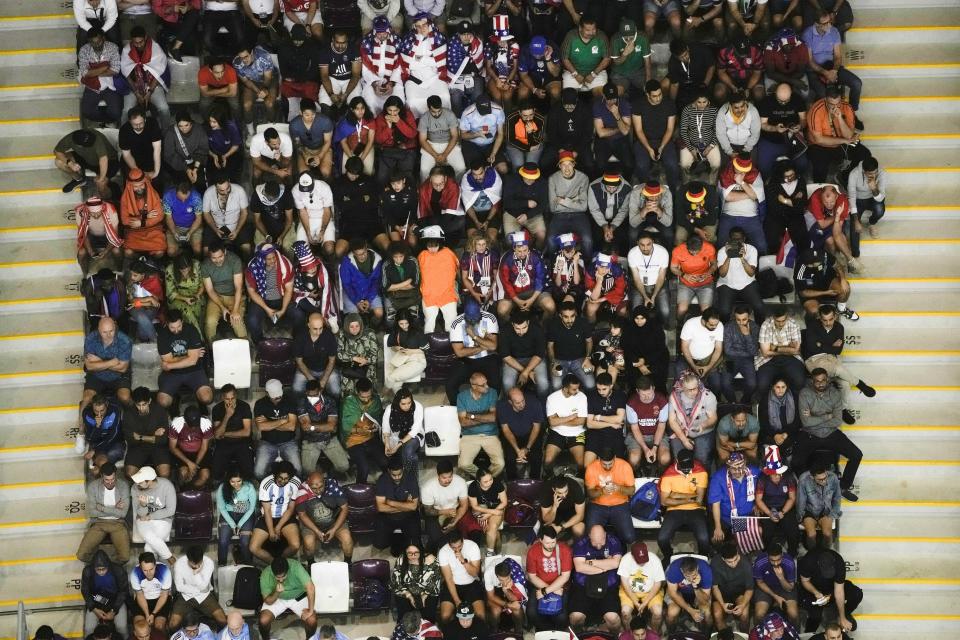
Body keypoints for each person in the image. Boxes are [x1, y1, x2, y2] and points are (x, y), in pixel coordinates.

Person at [792, 369, 861, 497]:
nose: (820, 384)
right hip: (809, 433)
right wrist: (827, 416)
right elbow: (806, 422)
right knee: (795, 462)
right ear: (812, 382)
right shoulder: (805, 393)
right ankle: (810, 488)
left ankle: (843, 487)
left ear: (827, 379)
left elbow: (837, 421)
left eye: (823, 380)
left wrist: (814, 417)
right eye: (817, 381)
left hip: (831, 433)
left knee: (856, 454)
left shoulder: (835, 394)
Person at [803, 304, 875, 401]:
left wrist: (820, 345)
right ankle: (861, 385)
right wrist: (831, 346)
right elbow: (812, 348)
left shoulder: (839, 327)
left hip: (832, 358)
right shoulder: (812, 326)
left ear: (835, 316)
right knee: (839, 369)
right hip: (814, 359)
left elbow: (838, 350)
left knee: (845, 385)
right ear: (820, 318)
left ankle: (843, 409)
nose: (828, 322)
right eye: (825, 320)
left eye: (831, 319)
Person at [805, 85, 868, 183]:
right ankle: (818, 187)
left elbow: (848, 136)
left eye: (838, 103)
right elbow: (819, 139)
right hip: (820, 145)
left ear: (841, 100)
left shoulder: (847, 108)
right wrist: (844, 140)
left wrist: (839, 118)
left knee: (864, 154)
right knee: (820, 166)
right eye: (831, 104)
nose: (835, 107)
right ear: (825, 100)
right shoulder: (816, 110)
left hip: (841, 143)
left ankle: (844, 176)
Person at [657, 448, 710, 560]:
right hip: (673, 511)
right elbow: (664, 501)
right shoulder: (668, 475)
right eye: (684, 468)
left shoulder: (701, 471)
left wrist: (675, 495)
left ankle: (703, 558)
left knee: (704, 538)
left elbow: (699, 499)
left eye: (689, 468)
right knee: (662, 539)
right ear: (677, 461)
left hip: (696, 509)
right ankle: (668, 557)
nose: (687, 471)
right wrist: (689, 498)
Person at [569, 525, 623, 633]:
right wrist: (602, 569)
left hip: (608, 585)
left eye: (601, 542)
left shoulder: (613, 541)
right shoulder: (581, 543)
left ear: (605, 535)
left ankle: (614, 636)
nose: (598, 546)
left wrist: (590, 562)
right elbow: (579, 567)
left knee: (613, 619)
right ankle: (581, 634)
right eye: (595, 543)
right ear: (589, 537)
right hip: (583, 585)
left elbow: (615, 563)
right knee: (575, 617)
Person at [156, 310, 213, 411]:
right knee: (162, 401)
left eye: (179, 326)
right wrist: (189, 355)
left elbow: (192, 362)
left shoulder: (191, 330)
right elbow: (168, 360)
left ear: (182, 321)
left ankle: (200, 404)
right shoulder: (162, 335)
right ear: (167, 324)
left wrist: (170, 365)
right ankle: (175, 400)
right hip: (172, 374)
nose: (176, 330)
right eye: (172, 327)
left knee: (207, 398)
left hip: (194, 370)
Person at [295, 467, 353, 562]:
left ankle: (348, 562)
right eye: (314, 488)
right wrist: (317, 531)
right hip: (311, 525)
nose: (318, 491)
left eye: (320, 487)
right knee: (308, 543)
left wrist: (334, 529)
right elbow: (302, 515)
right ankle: (311, 563)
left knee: (348, 540)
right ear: (309, 485)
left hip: (334, 522)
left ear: (324, 482)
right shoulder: (302, 493)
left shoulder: (332, 488)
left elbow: (345, 508)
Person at [798, 547, 861, 634]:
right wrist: (816, 593)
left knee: (856, 594)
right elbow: (805, 581)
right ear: (818, 564)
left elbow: (839, 591)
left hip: (831, 587)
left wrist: (842, 617)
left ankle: (842, 614)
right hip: (813, 588)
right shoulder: (808, 561)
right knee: (815, 616)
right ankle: (808, 634)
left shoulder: (839, 562)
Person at [77, 463, 131, 563]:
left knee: (125, 557)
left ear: (116, 475)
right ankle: (98, 564)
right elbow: (92, 512)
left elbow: (122, 514)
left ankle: (110, 565)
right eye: (107, 480)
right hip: (98, 523)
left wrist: (102, 508)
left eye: (113, 479)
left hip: (118, 523)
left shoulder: (123, 486)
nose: (110, 482)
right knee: (81, 555)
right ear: (102, 477)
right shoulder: (93, 486)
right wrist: (115, 509)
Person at [399, 14, 451, 118]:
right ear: (414, 27)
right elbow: (409, 63)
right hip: (415, 77)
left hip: (435, 76)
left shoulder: (439, 38)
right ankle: (418, 122)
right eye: (418, 26)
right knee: (412, 100)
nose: (422, 28)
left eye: (424, 25)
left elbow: (439, 62)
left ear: (429, 24)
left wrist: (419, 58)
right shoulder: (409, 40)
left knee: (444, 96)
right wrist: (429, 59)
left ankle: (444, 120)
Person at [250, 461, 302, 563]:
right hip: (268, 516)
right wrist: (271, 531)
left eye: (286, 479)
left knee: (295, 545)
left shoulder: (295, 483)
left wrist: (278, 527)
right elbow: (267, 510)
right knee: (253, 547)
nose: (283, 481)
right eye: (280, 478)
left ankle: (281, 561)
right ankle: (274, 563)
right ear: (275, 475)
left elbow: (291, 508)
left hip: (286, 517)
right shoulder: (266, 484)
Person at [244, 243, 295, 345]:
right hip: (262, 299)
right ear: (262, 259)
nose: (272, 261)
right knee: (252, 320)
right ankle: (260, 344)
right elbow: (252, 292)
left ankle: (297, 341)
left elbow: (289, 290)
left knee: (298, 315)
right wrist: (267, 309)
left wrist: (283, 310)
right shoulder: (253, 267)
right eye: (268, 259)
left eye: (273, 257)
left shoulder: (285, 264)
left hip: (282, 297)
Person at [631, 80, 678, 188]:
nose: (658, 98)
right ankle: (646, 188)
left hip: (664, 139)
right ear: (647, 95)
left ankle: (673, 190)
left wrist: (661, 147)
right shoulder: (638, 105)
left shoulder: (669, 104)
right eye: (654, 96)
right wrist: (649, 148)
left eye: (660, 94)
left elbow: (670, 129)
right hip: (644, 140)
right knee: (642, 166)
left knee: (672, 165)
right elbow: (638, 130)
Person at [120, 27, 171, 127]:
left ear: (146, 37)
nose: (138, 45)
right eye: (135, 42)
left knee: (164, 108)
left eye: (141, 42)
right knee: (126, 110)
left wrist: (149, 92)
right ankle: (123, 135)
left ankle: (166, 133)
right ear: (131, 40)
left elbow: (158, 73)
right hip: (134, 85)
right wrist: (136, 93)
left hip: (152, 85)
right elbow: (126, 74)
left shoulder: (155, 49)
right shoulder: (127, 50)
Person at [297, 379, 349, 475]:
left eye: (315, 395)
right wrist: (325, 426)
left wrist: (312, 427)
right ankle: (319, 471)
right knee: (307, 471)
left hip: (329, 439)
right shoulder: (302, 402)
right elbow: (305, 427)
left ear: (320, 391)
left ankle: (331, 472)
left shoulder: (330, 401)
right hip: (310, 441)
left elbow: (331, 426)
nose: (312, 397)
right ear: (306, 392)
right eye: (310, 395)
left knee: (343, 466)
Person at [585, 447, 636, 544]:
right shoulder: (591, 468)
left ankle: (615, 543)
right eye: (604, 464)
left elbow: (632, 491)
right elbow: (590, 494)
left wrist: (619, 488)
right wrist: (602, 491)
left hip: (620, 504)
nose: (607, 467)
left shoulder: (625, 466)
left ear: (615, 458)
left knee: (629, 537)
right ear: (599, 459)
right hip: (598, 505)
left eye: (610, 464)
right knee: (590, 536)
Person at [258, 558, 318, 640]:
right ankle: (266, 638)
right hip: (278, 598)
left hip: (298, 596)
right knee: (263, 620)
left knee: (312, 620)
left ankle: (309, 638)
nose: (281, 580)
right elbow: (268, 601)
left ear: (288, 570)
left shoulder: (296, 566)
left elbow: (310, 587)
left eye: (283, 576)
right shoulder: (266, 574)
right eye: (277, 578)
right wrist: (277, 592)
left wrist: (310, 611)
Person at [708, 451, 761, 543]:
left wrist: (758, 504)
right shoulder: (718, 478)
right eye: (734, 469)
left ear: (745, 465)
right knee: (715, 539)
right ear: (728, 467)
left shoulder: (755, 473)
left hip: (745, 517)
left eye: (741, 468)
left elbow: (762, 490)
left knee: (751, 536)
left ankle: (739, 544)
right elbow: (715, 505)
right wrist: (718, 527)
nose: (738, 471)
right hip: (725, 518)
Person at [340, 378, 386, 483]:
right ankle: (360, 491)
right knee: (364, 469)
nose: (366, 400)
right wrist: (361, 430)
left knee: (385, 462)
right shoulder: (349, 402)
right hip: (353, 440)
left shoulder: (376, 400)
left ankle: (385, 486)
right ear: (356, 392)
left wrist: (376, 426)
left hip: (370, 437)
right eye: (362, 397)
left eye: (368, 396)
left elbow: (378, 418)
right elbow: (346, 427)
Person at [667, 371, 718, 465]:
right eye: (689, 390)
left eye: (695, 388)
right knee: (678, 456)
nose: (693, 392)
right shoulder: (674, 397)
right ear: (682, 387)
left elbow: (713, 418)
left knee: (702, 457)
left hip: (702, 432)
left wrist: (703, 425)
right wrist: (684, 440)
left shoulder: (708, 396)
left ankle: (704, 476)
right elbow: (672, 421)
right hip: (681, 430)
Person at [200, 241, 247, 341]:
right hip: (216, 297)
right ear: (209, 255)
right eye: (214, 258)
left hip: (234, 296)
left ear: (225, 252)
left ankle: (245, 348)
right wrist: (222, 307)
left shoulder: (235, 261)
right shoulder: (205, 265)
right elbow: (210, 290)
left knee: (237, 322)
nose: (217, 260)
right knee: (210, 322)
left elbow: (238, 288)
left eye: (220, 256)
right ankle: (211, 349)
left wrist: (234, 310)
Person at [169, 546, 226, 630]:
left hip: (204, 596)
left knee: (222, 620)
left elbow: (203, 586)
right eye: (193, 565)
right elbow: (179, 587)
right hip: (185, 597)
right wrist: (197, 590)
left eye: (199, 564)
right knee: (173, 624)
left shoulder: (209, 563)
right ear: (188, 559)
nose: (196, 566)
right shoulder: (179, 564)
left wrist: (196, 573)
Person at [253, 380, 300, 478]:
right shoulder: (260, 404)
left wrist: (268, 422)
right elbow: (261, 427)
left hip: (288, 442)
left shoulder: (290, 401)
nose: (278, 398)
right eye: (275, 397)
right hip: (267, 442)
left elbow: (291, 427)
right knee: (258, 472)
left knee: (298, 471)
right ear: (267, 393)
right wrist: (282, 421)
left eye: (279, 396)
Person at [755, 308, 807, 398]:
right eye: (778, 321)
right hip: (768, 360)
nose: (781, 323)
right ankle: (768, 405)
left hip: (791, 359)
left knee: (800, 382)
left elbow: (796, 350)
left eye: (783, 320)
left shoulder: (793, 324)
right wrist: (788, 348)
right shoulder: (766, 325)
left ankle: (792, 403)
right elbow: (765, 352)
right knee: (762, 385)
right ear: (773, 317)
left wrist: (775, 348)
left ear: (786, 317)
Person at [375, 457, 423, 553]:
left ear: (403, 470)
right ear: (389, 471)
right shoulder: (382, 480)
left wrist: (390, 502)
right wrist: (405, 505)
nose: (397, 477)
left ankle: (403, 540)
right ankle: (397, 539)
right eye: (394, 475)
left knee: (415, 544)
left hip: (409, 516)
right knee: (380, 544)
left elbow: (414, 507)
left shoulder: (411, 478)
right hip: (388, 517)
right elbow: (380, 507)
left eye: (399, 474)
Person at [437, 530, 485, 624]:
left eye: (459, 546)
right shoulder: (443, 551)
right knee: (445, 616)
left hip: (471, 584)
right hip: (453, 585)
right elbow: (449, 579)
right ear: (449, 544)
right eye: (453, 547)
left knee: (480, 615)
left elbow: (475, 573)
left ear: (463, 541)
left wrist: (463, 561)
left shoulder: (472, 546)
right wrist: (457, 601)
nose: (457, 550)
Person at [131, 467, 177, 564]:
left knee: (149, 547)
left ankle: (153, 571)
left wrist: (150, 516)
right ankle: (169, 557)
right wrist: (143, 505)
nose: (137, 484)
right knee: (149, 536)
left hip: (163, 519)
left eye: (140, 482)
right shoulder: (135, 488)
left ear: (149, 481)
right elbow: (139, 513)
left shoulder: (166, 486)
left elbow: (171, 510)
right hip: (143, 520)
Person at [79, 28, 124, 127]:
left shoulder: (112, 47)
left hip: (109, 85)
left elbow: (115, 70)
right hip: (92, 86)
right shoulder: (84, 50)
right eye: (93, 43)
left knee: (116, 112)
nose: (96, 45)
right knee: (86, 111)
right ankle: (105, 121)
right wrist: (104, 68)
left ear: (103, 38)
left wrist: (93, 73)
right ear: (89, 41)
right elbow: (84, 73)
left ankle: (107, 122)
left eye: (98, 42)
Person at [421, 460, 470, 550]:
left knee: (461, 537)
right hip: (435, 513)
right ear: (438, 475)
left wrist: (454, 521)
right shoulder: (428, 487)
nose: (447, 480)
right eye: (444, 477)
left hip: (455, 511)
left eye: (450, 476)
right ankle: (432, 554)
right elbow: (428, 511)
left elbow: (464, 505)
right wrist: (445, 511)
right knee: (437, 538)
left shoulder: (460, 482)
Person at [499, 312, 549, 399]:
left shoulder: (537, 329)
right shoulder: (505, 331)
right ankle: (512, 403)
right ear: (512, 324)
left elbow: (540, 354)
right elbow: (506, 356)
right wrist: (526, 372)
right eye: (517, 328)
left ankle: (543, 404)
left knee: (543, 383)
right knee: (507, 383)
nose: (521, 331)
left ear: (528, 323)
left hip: (534, 359)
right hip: (513, 360)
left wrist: (525, 372)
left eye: (524, 327)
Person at [544, 374, 588, 471]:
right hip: (557, 432)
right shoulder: (552, 398)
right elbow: (552, 423)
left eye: (578, 388)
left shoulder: (582, 397)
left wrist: (559, 420)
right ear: (565, 388)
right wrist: (571, 417)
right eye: (574, 389)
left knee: (581, 464)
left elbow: (581, 421)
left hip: (577, 433)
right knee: (548, 461)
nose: (577, 391)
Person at [625, 376, 670, 471]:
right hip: (637, 435)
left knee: (665, 458)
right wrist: (645, 449)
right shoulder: (631, 403)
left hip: (657, 434)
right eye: (643, 395)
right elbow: (635, 428)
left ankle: (660, 473)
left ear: (653, 388)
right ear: (637, 391)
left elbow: (661, 426)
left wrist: (654, 447)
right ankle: (636, 474)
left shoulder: (662, 401)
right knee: (633, 459)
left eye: (649, 393)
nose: (646, 397)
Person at [616, 541, 664, 631]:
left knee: (658, 613)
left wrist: (645, 602)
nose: (642, 563)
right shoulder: (626, 559)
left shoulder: (655, 560)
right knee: (625, 613)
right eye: (639, 560)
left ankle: (654, 633)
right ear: (632, 555)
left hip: (651, 590)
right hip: (630, 590)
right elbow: (624, 582)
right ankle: (630, 633)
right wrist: (635, 601)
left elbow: (658, 583)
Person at [120, 169, 166, 260]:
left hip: (153, 230)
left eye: (141, 185)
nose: (139, 188)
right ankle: (139, 262)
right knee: (128, 252)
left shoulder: (154, 194)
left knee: (160, 252)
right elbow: (125, 220)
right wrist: (144, 217)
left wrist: (142, 223)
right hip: (134, 231)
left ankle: (151, 264)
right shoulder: (125, 198)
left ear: (145, 183)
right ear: (130, 186)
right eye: (135, 186)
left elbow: (159, 216)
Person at [81, 549, 129, 637]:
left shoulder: (118, 570)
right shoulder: (87, 571)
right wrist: (94, 609)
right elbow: (85, 591)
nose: (101, 571)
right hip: (96, 601)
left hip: (116, 602)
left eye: (103, 569)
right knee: (89, 628)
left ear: (108, 566)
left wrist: (114, 610)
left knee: (122, 627)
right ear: (94, 567)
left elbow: (123, 591)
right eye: (98, 569)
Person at [233, 45, 279, 135]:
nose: (244, 60)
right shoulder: (236, 62)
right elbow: (246, 81)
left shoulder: (264, 57)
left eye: (246, 56)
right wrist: (258, 91)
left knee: (269, 104)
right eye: (241, 57)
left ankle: (271, 129)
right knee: (246, 105)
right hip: (252, 81)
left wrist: (265, 90)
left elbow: (268, 78)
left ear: (252, 53)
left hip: (269, 80)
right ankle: (250, 132)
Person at [796, 461, 842, 550]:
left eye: (825, 477)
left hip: (826, 510)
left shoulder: (833, 477)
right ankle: (812, 552)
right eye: (820, 480)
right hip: (809, 510)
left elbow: (837, 498)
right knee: (811, 534)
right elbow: (801, 500)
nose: (824, 481)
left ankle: (826, 552)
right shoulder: (803, 479)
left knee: (827, 533)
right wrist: (800, 517)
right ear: (812, 477)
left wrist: (833, 513)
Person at [560, 16, 610, 97]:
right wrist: (575, 74)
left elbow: (607, 58)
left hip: (596, 72)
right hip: (573, 71)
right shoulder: (571, 36)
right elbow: (564, 58)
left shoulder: (601, 36)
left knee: (600, 96)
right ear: (580, 28)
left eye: (593, 29)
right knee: (569, 97)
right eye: (587, 30)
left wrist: (594, 74)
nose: (591, 32)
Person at [753, 542, 800, 628]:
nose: (775, 563)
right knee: (759, 614)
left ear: (782, 555)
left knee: (793, 614)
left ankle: (794, 634)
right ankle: (759, 634)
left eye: (778, 560)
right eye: (772, 560)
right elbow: (760, 582)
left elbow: (790, 588)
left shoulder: (789, 562)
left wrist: (781, 578)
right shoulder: (760, 562)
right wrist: (775, 596)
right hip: (766, 588)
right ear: (767, 556)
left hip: (784, 588)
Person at [710, 541, 754, 633]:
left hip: (739, 593)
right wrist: (722, 604)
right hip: (721, 593)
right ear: (723, 559)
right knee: (717, 614)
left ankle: (744, 635)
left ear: (738, 554)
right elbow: (715, 587)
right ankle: (725, 635)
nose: (734, 564)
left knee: (745, 614)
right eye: (730, 562)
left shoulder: (746, 564)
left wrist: (742, 605)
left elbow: (749, 589)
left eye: (736, 559)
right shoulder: (715, 563)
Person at [292, 312, 340, 396]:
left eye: (320, 328)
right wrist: (311, 379)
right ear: (309, 325)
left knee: (335, 391)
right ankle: (302, 407)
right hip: (307, 368)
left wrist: (324, 380)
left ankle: (332, 407)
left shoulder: (329, 336)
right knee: (297, 389)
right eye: (315, 329)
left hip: (326, 368)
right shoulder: (300, 337)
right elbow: (299, 361)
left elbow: (332, 360)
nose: (318, 332)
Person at [215, 469, 256, 564]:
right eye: (232, 481)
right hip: (228, 514)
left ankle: (248, 564)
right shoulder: (222, 488)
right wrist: (233, 525)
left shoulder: (249, 487)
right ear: (228, 481)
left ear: (243, 479)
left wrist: (240, 524)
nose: (236, 484)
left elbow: (251, 509)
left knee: (245, 542)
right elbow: (222, 509)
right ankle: (222, 564)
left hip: (246, 515)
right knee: (223, 541)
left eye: (239, 481)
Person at [719, 305, 759, 403]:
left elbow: (754, 351)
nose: (741, 322)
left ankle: (743, 402)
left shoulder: (754, 327)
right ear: (734, 317)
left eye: (744, 319)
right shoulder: (728, 327)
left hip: (747, 361)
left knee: (752, 384)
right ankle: (733, 403)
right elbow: (728, 350)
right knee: (725, 384)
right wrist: (747, 352)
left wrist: (747, 335)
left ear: (748, 317)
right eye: (738, 320)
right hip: (730, 360)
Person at [594, 83, 634, 179]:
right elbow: (601, 133)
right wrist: (619, 128)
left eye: (614, 98)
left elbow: (625, 132)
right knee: (599, 165)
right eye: (609, 98)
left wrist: (616, 115)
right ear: (603, 96)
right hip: (604, 141)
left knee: (629, 164)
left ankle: (626, 184)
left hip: (620, 139)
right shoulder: (597, 105)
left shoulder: (624, 104)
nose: (612, 101)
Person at [391, 542, 442, 619]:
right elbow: (397, 580)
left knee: (428, 617)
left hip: (427, 591)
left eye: (416, 553)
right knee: (404, 617)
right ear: (405, 552)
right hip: (407, 590)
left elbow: (435, 580)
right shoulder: (401, 559)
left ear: (421, 551)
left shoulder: (431, 560)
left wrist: (424, 595)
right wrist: (409, 596)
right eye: (410, 553)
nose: (413, 556)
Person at [678, 309, 724, 394]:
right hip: (688, 359)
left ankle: (713, 402)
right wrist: (694, 366)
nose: (714, 327)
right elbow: (684, 347)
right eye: (711, 324)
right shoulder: (690, 324)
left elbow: (718, 349)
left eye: (716, 324)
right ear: (703, 320)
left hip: (708, 359)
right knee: (680, 382)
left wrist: (708, 367)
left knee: (716, 384)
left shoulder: (719, 325)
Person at [670, 235, 717, 319]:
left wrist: (708, 273)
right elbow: (673, 268)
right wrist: (684, 275)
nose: (694, 254)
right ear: (686, 246)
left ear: (702, 246)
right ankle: (679, 325)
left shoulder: (709, 248)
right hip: (686, 284)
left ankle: (704, 325)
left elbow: (714, 264)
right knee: (682, 309)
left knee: (706, 310)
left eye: (697, 251)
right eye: (691, 252)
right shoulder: (678, 250)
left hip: (705, 284)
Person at [678, 92, 720, 184]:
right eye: (699, 102)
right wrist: (691, 149)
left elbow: (718, 131)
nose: (701, 105)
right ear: (694, 101)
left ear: (708, 101)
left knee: (716, 164)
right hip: (691, 144)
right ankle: (686, 183)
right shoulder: (687, 110)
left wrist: (711, 146)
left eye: (704, 102)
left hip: (710, 144)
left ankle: (712, 183)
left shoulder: (714, 111)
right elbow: (683, 131)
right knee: (684, 164)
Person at [588, 167, 632, 257]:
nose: (611, 190)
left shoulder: (627, 188)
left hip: (618, 219)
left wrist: (612, 227)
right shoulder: (593, 186)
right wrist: (604, 226)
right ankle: (596, 260)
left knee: (623, 237)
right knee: (595, 236)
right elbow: (594, 209)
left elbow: (623, 211)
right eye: (609, 187)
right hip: (599, 218)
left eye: (614, 187)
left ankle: (621, 261)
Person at [502, 164, 549, 246]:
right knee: (510, 240)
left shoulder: (542, 182)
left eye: (534, 178)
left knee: (542, 236)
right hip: (512, 214)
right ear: (522, 175)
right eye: (529, 178)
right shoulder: (511, 181)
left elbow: (543, 205)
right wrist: (526, 203)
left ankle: (536, 254)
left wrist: (527, 215)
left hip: (533, 214)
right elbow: (506, 202)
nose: (532, 180)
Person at [464, 468, 508, 556]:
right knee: (495, 533)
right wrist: (492, 512)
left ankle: (489, 552)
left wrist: (489, 514)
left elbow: (504, 502)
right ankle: (497, 552)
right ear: (478, 481)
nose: (489, 483)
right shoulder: (473, 487)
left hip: (496, 507)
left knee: (493, 526)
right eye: (485, 481)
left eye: (491, 479)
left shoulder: (497, 483)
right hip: (480, 509)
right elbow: (474, 506)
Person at [382, 388, 426, 475]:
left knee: (408, 452)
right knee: (410, 457)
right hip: (395, 437)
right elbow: (386, 427)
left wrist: (398, 445)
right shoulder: (390, 409)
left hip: (414, 435)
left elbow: (414, 430)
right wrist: (387, 444)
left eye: (409, 403)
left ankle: (411, 478)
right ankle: (410, 475)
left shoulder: (417, 407)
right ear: (397, 402)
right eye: (403, 404)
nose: (407, 406)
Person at [168, 406, 213, 489]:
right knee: (183, 472)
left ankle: (192, 489)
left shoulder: (206, 423)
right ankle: (183, 490)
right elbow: (172, 448)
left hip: (200, 452)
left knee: (205, 475)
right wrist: (189, 463)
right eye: (191, 425)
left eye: (196, 425)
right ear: (185, 419)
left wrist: (194, 466)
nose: (193, 428)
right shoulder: (176, 423)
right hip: (182, 452)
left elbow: (204, 448)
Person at [846, 156, 887, 248]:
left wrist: (874, 188)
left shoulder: (882, 173)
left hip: (873, 198)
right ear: (864, 171)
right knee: (854, 228)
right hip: (858, 199)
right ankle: (855, 255)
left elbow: (880, 198)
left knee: (880, 210)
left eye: (875, 172)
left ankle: (871, 223)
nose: (873, 175)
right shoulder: (854, 174)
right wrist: (856, 220)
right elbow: (851, 196)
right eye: (870, 174)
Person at [664, 555, 712, 633]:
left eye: (693, 575)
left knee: (707, 613)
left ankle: (706, 634)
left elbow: (705, 600)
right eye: (687, 576)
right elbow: (673, 593)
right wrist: (690, 610)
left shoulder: (705, 569)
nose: (691, 579)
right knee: (671, 613)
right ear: (681, 570)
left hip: (698, 592)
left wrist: (695, 587)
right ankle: (671, 633)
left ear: (697, 568)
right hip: (678, 592)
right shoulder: (674, 568)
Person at [77, 196, 123, 273]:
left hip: (108, 235)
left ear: (102, 209)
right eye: (92, 213)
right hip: (91, 236)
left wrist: (106, 251)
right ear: (88, 210)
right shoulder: (80, 212)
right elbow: (83, 234)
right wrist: (90, 251)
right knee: (81, 253)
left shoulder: (111, 211)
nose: (95, 216)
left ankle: (119, 270)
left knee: (117, 251)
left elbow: (114, 235)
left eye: (98, 213)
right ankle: (85, 275)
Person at [130, 551, 172, 632]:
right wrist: (147, 614)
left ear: (155, 565)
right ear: (140, 567)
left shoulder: (164, 570)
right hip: (143, 599)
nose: (149, 573)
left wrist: (153, 614)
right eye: (145, 570)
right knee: (139, 624)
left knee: (159, 626)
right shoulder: (135, 573)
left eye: (151, 569)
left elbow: (164, 595)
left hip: (160, 598)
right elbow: (139, 595)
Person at [484, 558, 527, 634]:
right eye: (501, 580)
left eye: (506, 579)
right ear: (496, 575)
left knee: (517, 608)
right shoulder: (488, 573)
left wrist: (506, 590)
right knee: (496, 610)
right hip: (495, 589)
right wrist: (508, 605)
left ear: (510, 573)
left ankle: (519, 632)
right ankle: (494, 632)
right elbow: (491, 596)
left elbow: (516, 599)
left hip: (510, 587)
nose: (504, 582)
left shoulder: (516, 575)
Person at [163, 184, 204, 259]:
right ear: (176, 192)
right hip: (175, 226)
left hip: (193, 226)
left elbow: (198, 219)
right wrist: (174, 232)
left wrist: (190, 232)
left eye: (186, 198)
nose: (183, 201)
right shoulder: (168, 197)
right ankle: (181, 255)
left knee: (198, 250)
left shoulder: (196, 197)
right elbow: (168, 218)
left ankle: (194, 261)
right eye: (180, 198)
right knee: (171, 252)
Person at [206, 107, 244, 185]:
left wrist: (226, 156)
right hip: (213, 153)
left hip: (230, 153)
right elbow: (203, 146)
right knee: (212, 175)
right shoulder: (206, 128)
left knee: (232, 174)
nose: (211, 124)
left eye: (214, 122)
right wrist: (214, 156)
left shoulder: (231, 127)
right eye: (210, 121)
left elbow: (236, 145)